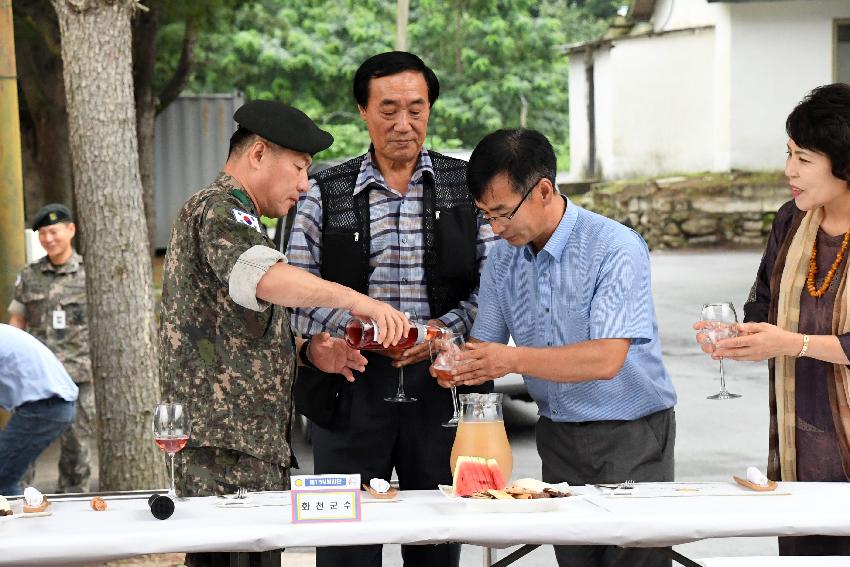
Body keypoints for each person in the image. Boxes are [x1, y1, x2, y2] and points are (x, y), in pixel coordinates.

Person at [159, 99, 409, 567]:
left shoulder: (240, 218)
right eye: (298, 167)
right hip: (226, 452)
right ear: (257, 154)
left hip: (245, 447)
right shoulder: (220, 209)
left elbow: (231, 329)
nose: (303, 184)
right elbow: (265, 279)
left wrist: (308, 351)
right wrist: (360, 301)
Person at [287, 51, 496, 567]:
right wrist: (345, 335)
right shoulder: (324, 193)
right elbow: (295, 289)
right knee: (344, 545)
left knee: (437, 540)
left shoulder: (468, 187)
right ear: (362, 110)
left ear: (430, 110)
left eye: (416, 109)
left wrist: (440, 333)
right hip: (349, 386)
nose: (403, 124)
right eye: (388, 109)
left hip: (443, 388)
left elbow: (496, 287)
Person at [445, 128, 677, 567]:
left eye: (502, 213)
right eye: (485, 216)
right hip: (557, 435)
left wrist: (510, 359)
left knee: (636, 561)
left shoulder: (614, 246)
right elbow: (484, 346)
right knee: (576, 561)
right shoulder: (503, 257)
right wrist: (451, 361)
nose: (495, 228)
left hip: (631, 434)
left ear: (544, 190)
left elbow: (607, 358)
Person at [697, 83, 850, 556]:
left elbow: (790, 339)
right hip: (800, 455)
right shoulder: (791, 219)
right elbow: (763, 306)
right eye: (789, 154)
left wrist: (792, 343)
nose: (789, 171)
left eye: (804, 158)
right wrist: (742, 338)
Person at [8, 203, 94, 494]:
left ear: (70, 230)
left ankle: (74, 509)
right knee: (25, 450)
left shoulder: (88, 275)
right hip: (35, 380)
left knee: (77, 451)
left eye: (53, 231)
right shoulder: (29, 276)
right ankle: (18, 502)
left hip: (78, 376)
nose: (48, 239)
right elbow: (17, 321)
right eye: (42, 234)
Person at [0, 324, 78, 497]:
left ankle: (12, 519)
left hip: (44, 408)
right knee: (6, 476)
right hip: (54, 405)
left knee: (3, 479)